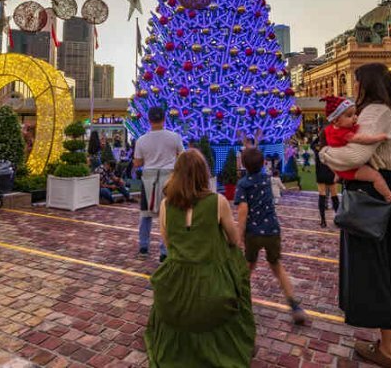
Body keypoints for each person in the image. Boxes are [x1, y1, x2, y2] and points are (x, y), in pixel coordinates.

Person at [320, 63, 391, 367]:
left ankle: (390, 349)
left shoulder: (374, 111)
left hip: (370, 199)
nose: (354, 90)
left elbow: (355, 155)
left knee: (374, 267)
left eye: (357, 83)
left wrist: (325, 154)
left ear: (366, 84)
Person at [145, 149, 254, 366]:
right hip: (212, 287)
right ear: (204, 173)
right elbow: (234, 240)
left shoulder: (166, 204)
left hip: (174, 288)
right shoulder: (218, 201)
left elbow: (168, 243)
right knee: (237, 263)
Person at [235, 147, 307, 325]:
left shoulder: (244, 184)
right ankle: (293, 304)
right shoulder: (267, 179)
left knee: (247, 267)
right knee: (277, 266)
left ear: (243, 165)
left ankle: (237, 300)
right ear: (263, 164)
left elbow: (243, 210)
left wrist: (239, 235)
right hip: (272, 230)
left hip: (253, 232)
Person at [320, 96, 391, 203]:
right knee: (375, 177)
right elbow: (361, 139)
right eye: (349, 115)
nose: (354, 117)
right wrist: (379, 137)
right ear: (336, 120)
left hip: (339, 167)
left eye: (354, 114)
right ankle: (389, 195)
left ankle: (337, 175)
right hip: (351, 170)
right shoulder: (343, 133)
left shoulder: (330, 129)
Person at [134, 106, 184, 262]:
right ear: (164, 119)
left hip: (149, 177)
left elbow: (137, 163)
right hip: (169, 177)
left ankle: (143, 247)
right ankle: (165, 251)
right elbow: (182, 157)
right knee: (168, 214)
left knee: (145, 214)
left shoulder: (141, 140)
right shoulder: (174, 137)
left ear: (149, 120)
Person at [311, 131, 338, 228]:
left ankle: (323, 220)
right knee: (334, 196)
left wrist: (319, 137)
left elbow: (312, 145)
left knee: (321, 196)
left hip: (320, 174)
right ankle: (337, 219)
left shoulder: (318, 149)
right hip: (330, 173)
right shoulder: (332, 148)